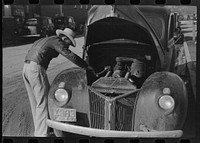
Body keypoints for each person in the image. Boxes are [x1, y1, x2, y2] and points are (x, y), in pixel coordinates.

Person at [22, 28, 91, 137]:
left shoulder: (45, 39)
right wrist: (85, 66)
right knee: (44, 102)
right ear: (64, 38)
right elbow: (69, 55)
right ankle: (42, 134)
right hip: (36, 68)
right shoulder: (57, 41)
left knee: (36, 102)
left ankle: (41, 129)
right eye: (69, 43)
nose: (68, 46)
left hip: (26, 67)